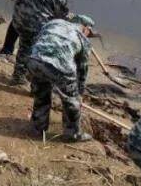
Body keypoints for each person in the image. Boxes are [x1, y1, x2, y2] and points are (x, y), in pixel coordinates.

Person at [27, 14, 97, 142]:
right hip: (60, 67)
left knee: (41, 93)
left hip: (35, 60)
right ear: (85, 28)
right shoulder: (83, 38)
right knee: (71, 101)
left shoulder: (55, 22)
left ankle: (37, 128)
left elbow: (37, 39)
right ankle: (72, 134)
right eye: (89, 32)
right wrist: (79, 93)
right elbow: (82, 69)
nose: (88, 35)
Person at [12, 0, 73, 85]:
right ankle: (36, 88)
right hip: (37, 29)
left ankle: (18, 77)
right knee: (41, 56)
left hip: (19, 21)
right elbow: (60, 18)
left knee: (24, 47)